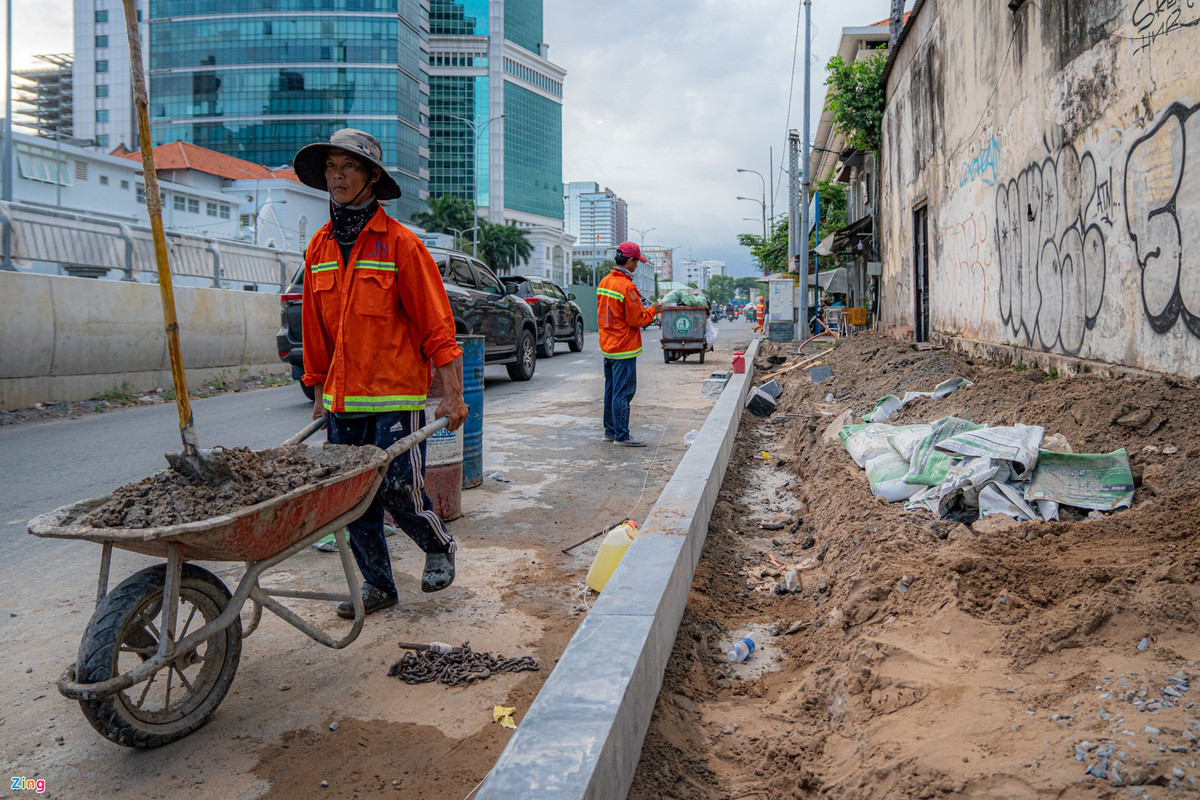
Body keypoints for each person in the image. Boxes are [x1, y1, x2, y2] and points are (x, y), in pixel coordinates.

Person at [294, 128, 469, 619]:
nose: (337, 176)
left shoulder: (401, 246)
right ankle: (378, 585)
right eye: (331, 167)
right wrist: (317, 390)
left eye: (348, 167)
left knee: (395, 487)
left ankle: (438, 545)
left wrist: (453, 395)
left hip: (394, 395)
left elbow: (437, 326)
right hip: (343, 398)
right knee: (352, 500)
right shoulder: (319, 249)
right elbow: (315, 329)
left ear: (372, 176)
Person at [597, 242, 661, 447]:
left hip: (608, 345)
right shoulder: (627, 286)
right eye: (637, 262)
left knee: (611, 390)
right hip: (624, 347)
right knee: (623, 392)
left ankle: (610, 431)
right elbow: (637, 320)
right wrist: (653, 310)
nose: (637, 266)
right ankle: (622, 436)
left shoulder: (605, 281)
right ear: (630, 260)